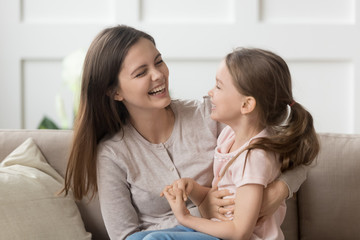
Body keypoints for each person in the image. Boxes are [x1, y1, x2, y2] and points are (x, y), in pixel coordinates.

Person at [61, 25, 312, 240]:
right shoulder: (112, 154)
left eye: (158, 61)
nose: (158, 75)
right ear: (115, 92)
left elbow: (293, 151)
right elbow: (125, 236)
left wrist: (276, 192)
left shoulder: (211, 118)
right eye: (141, 72)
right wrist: (200, 210)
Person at [126, 48, 320, 240]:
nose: (210, 92)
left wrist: (184, 217)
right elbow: (222, 201)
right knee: (136, 239)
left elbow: (240, 232)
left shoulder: (254, 158)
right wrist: (193, 189)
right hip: (217, 230)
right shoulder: (229, 136)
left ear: (246, 105)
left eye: (218, 86)